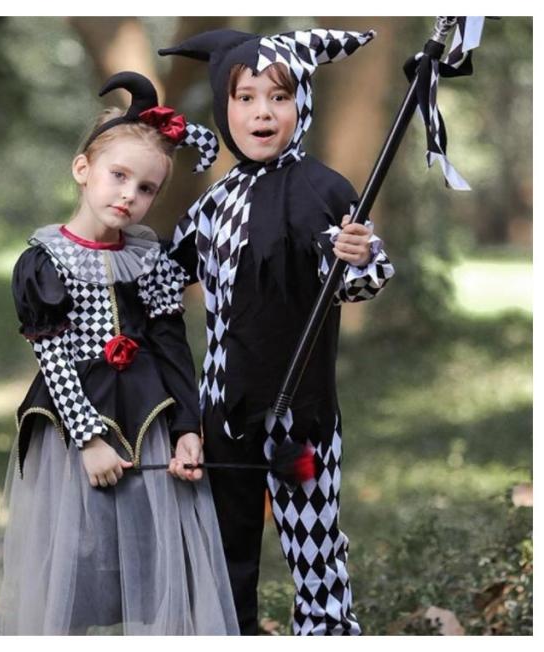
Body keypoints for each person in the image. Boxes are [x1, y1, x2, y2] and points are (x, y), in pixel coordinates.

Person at [159, 28, 395, 635]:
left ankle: (326, 631)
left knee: (315, 552)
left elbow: (356, 278)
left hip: (300, 420)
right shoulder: (214, 204)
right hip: (222, 415)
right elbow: (161, 280)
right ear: (224, 106)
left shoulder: (324, 190)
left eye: (279, 97)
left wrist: (361, 257)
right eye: (245, 98)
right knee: (223, 550)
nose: (262, 112)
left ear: (302, 103)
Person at [0, 71, 238, 636]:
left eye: (146, 188)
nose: (130, 195)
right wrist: (88, 440)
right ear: (83, 169)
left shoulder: (149, 259)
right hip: (75, 425)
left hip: (147, 414)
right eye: (118, 176)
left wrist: (187, 427)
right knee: (79, 547)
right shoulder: (45, 260)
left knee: (152, 544)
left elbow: (171, 345)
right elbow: (54, 359)